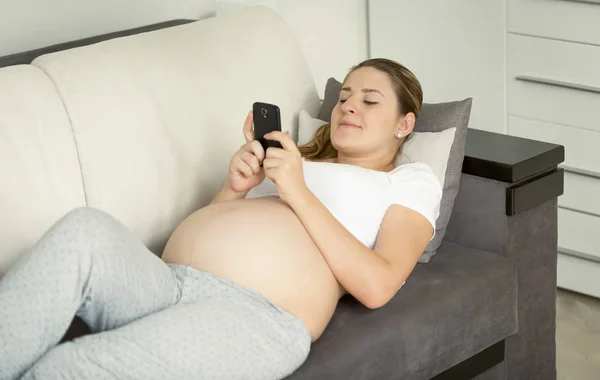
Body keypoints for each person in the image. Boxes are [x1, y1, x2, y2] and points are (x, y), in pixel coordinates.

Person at [0, 58, 442, 380]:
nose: (348, 107)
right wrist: (235, 188)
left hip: (256, 315)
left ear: (404, 125)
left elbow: (378, 285)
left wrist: (296, 189)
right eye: (344, 97)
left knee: (69, 369)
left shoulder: (407, 181)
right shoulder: (295, 158)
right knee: (85, 229)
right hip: (168, 281)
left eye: (369, 101)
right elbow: (216, 227)